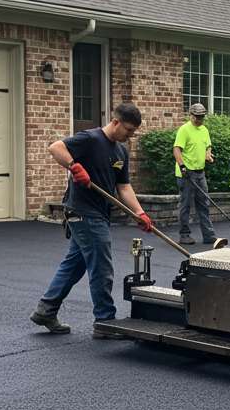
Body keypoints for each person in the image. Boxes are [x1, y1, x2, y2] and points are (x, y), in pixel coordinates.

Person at [30, 103, 153, 337]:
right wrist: (74, 166)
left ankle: (46, 310)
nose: (130, 135)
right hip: (83, 212)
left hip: (99, 213)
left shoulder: (120, 152)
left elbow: (124, 187)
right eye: (128, 130)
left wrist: (140, 213)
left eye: (134, 131)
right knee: (101, 267)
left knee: (74, 265)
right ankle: (105, 321)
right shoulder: (90, 139)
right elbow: (56, 148)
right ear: (115, 122)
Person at [173, 103, 217, 245]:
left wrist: (208, 155)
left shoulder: (204, 130)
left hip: (200, 172)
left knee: (204, 203)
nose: (199, 119)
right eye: (197, 117)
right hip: (186, 173)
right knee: (185, 204)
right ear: (190, 115)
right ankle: (184, 235)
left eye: (202, 117)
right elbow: (177, 149)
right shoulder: (184, 130)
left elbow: (208, 146)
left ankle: (208, 235)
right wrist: (182, 166)